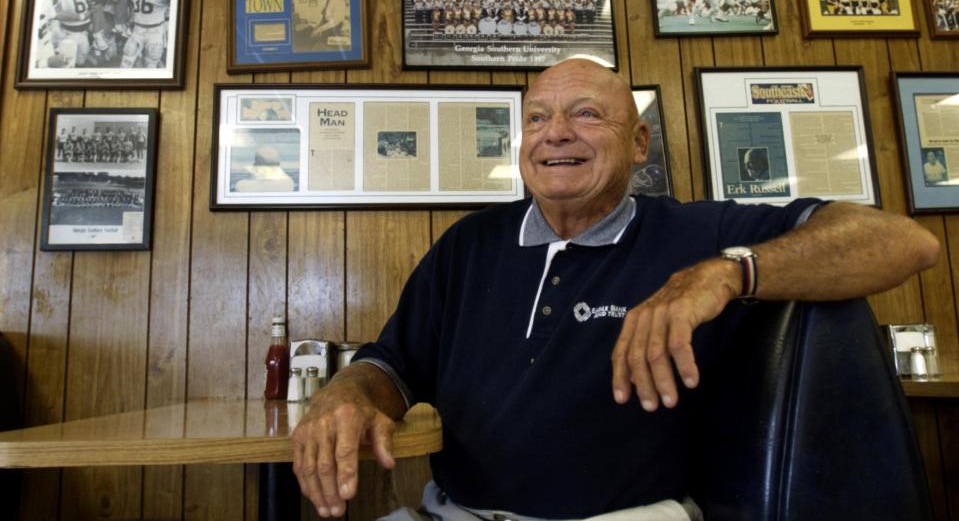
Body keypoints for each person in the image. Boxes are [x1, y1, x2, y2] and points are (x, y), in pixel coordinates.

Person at [291, 59, 939, 520]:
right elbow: (391, 366)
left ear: (637, 143)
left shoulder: (699, 233)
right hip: (456, 510)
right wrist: (345, 394)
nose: (555, 133)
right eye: (538, 117)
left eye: (585, 114)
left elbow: (905, 243)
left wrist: (723, 272)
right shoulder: (469, 243)